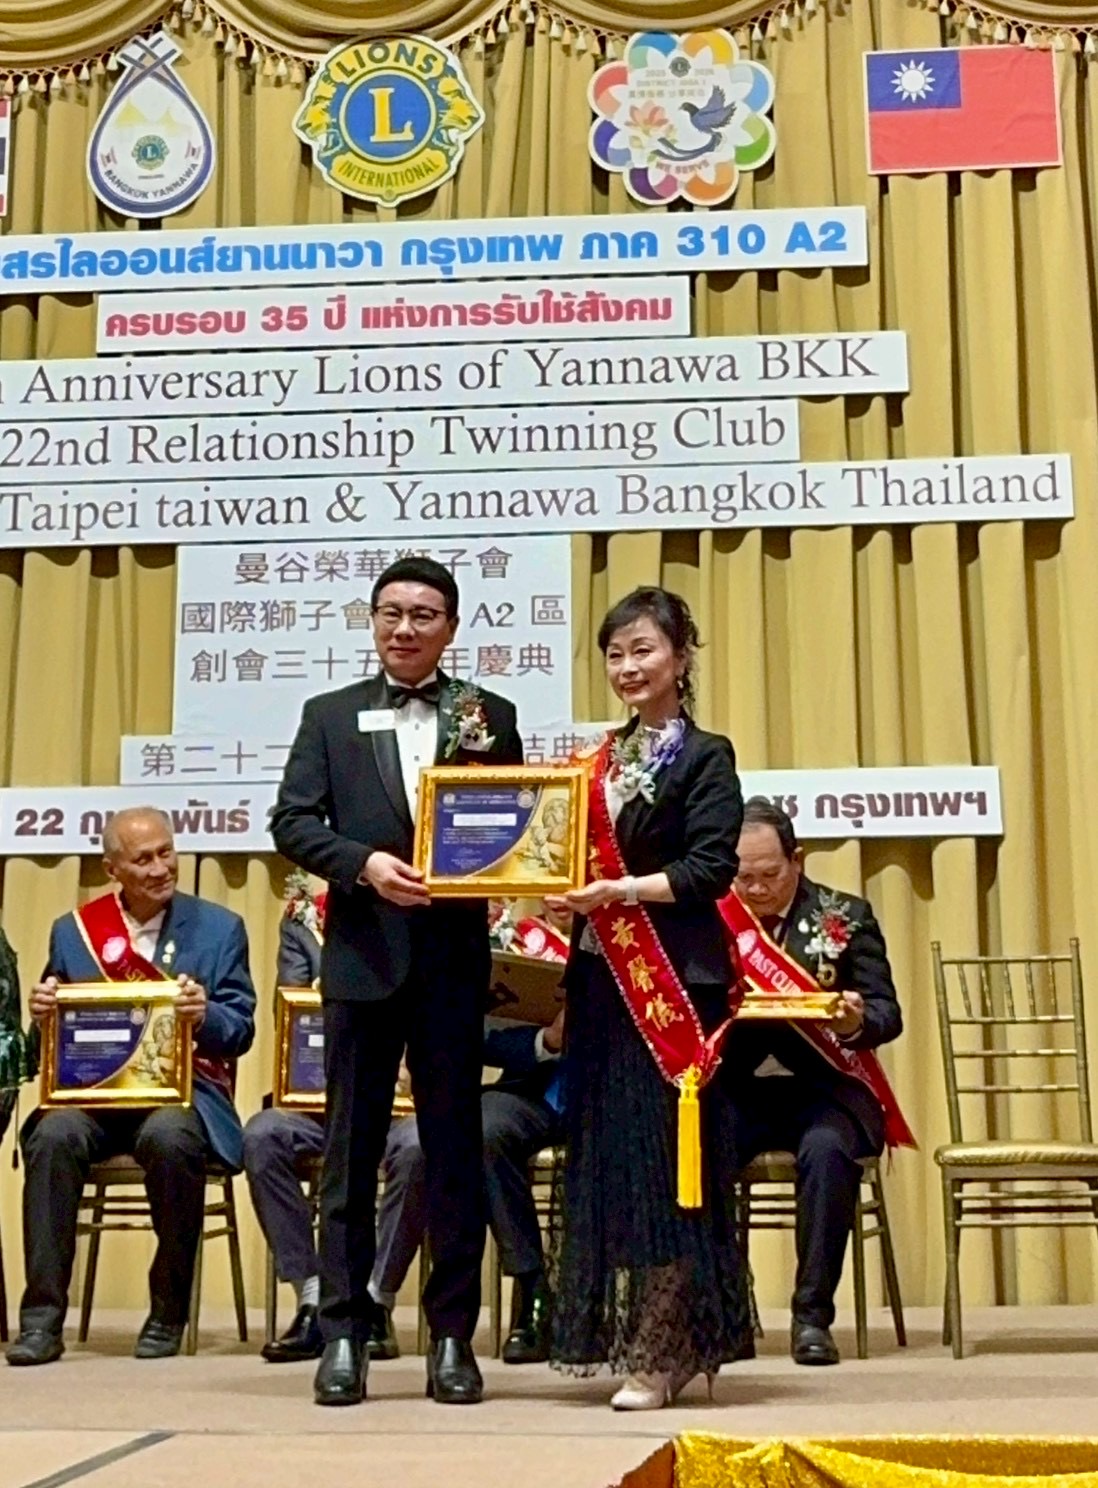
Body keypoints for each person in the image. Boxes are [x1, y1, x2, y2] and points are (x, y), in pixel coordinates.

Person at [271, 555, 523, 1407]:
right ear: (373, 620)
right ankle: (344, 1334)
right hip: (362, 961)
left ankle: (451, 1338)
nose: (403, 628)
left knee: (452, 1153)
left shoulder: (490, 715)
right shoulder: (329, 714)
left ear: (450, 627)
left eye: (422, 614)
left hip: (452, 963)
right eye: (390, 612)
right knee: (349, 1155)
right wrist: (363, 864)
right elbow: (292, 821)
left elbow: (512, 825)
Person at [546, 586, 753, 1410]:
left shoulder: (707, 757)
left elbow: (710, 871)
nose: (629, 667)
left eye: (644, 650)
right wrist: (562, 892)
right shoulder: (594, 763)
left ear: (681, 656)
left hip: (674, 993)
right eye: (616, 654)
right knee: (613, 1167)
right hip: (603, 989)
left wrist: (619, 890)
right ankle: (648, 1341)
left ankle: (662, 1353)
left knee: (670, 1171)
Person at [6, 807, 256, 1366]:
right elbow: (52, 1042)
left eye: (166, 852)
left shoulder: (220, 929)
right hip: (94, 1097)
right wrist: (42, 1015)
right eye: (143, 859)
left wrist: (205, 1014)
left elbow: (241, 1030)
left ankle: (167, 1312)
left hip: (178, 1095)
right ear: (112, 868)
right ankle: (41, 1320)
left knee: (172, 1139)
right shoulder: (74, 933)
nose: (161, 868)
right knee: (51, 1137)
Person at [720, 797, 906, 1366]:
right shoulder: (711, 918)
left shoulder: (844, 915)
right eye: (743, 877)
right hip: (741, 1088)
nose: (755, 889)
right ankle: (727, 1312)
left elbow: (887, 1013)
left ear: (796, 860)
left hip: (826, 1089)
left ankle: (811, 1317)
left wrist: (854, 1022)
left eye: (769, 875)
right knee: (692, 1145)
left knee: (827, 1152)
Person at [244, 880, 401, 1366]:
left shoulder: (420, 912)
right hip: (318, 1097)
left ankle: (375, 1297)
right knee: (263, 1136)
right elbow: (290, 1008)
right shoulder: (305, 921)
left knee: (421, 1147)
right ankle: (313, 1294)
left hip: (402, 1107)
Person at [370, 1008, 567, 1366]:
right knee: (483, 1128)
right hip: (535, 1091)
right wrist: (548, 1041)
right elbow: (476, 1029)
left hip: (620, 1092)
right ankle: (533, 1288)